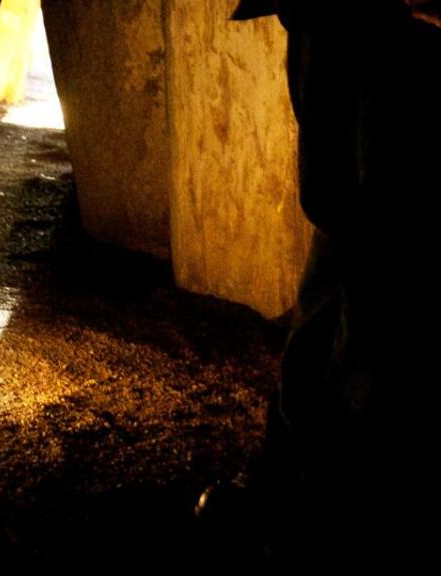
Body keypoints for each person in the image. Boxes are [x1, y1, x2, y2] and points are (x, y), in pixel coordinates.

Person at [198, 0, 441, 566]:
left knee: (377, 249)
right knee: (348, 234)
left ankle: (325, 493)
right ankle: (305, 480)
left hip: (388, 35)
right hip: (347, 23)